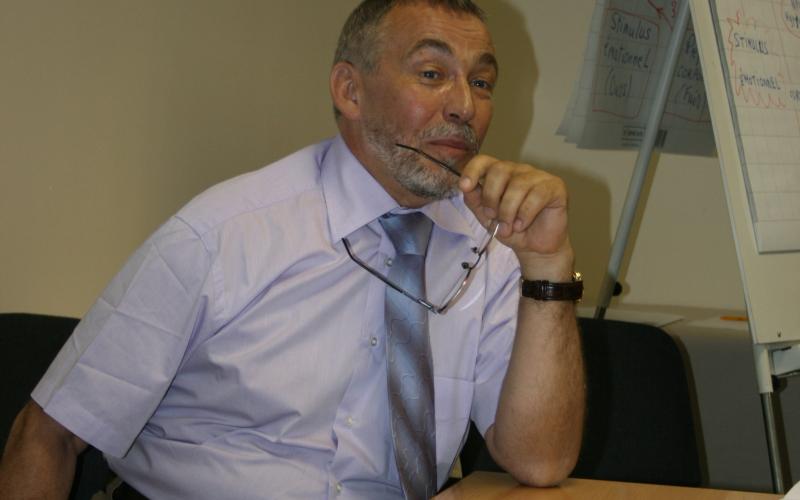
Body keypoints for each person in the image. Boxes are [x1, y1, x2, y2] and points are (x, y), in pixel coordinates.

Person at [0, 0, 585, 498]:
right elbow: (48, 435)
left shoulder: (492, 244)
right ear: (350, 91)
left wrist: (547, 265)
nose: (465, 106)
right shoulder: (222, 233)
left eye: (481, 83)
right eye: (432, 74)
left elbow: (540, 461)